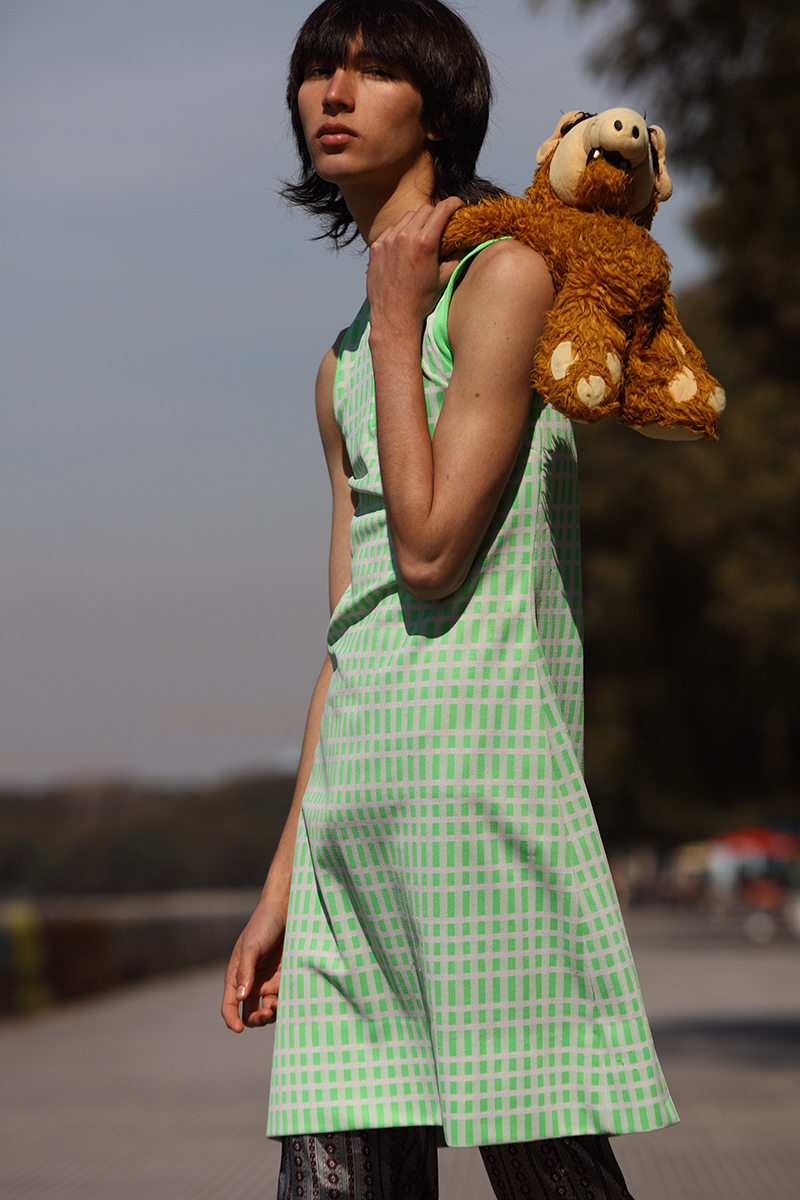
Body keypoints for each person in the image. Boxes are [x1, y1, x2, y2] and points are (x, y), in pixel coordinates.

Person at [222, 2, 678, 1196]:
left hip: (480, 804)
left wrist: (393, 321)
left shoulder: (504, 279)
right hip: (353, 821)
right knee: (335, 1175)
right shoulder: (336, 367)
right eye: (317, 69)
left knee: (547, 1172)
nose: (333, 91)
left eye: (372, 71)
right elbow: (350, 635)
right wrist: (281, 884)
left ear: (436, 107)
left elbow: (428, 554)